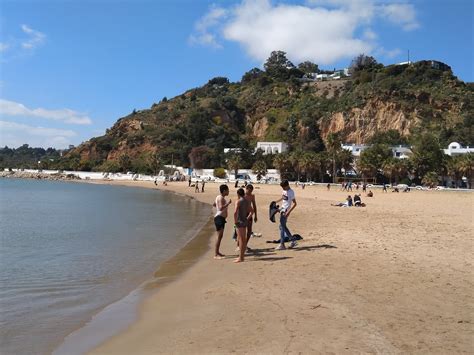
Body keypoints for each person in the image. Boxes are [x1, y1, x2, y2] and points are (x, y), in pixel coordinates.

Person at [274, 180, 297, 250]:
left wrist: (288, 212)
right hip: (282, 209)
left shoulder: (291, 192)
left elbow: (295, 204)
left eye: (283, 187)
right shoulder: (284, 191)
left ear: (287, 185)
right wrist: (275, 202)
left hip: (286, 210)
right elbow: (283, 198)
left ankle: (282, 244)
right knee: (282, 226)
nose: (282, 188)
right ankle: (293, 240)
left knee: (282, 226)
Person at [234, 188, 253, 263]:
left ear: (238, 194)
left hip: (239, 222)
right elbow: (252, 211)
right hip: (244, 221)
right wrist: (247, 219)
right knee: (243, 239)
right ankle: (242, 257)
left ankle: (241, 257)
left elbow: (235, 212)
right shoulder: (247, 201)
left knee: (241, 239)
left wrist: (235, 221)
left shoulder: (238, 201)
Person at [213, 185, 232, 259]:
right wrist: (228, 203)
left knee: (220, 236)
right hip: (219, 218)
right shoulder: (221, 198)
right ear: (224, 191)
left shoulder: (218, 197)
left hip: (220, 217)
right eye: (227, 190)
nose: (228, 192)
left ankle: (217, 252)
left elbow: (214, 204)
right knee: (219, 237)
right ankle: (216, 254)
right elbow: (220, 208)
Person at [243, 184, 258, 251]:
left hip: (249, 214)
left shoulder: (252, 196)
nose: (250, 192)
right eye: (249, 191)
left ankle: (245, 245)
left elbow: (254, 206)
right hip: (243, 214)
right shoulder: (243, 195)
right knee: (242, 230)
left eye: (251, 191)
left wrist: (256, 216)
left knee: (249, 231)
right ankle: (240, 245)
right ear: (246, 189)